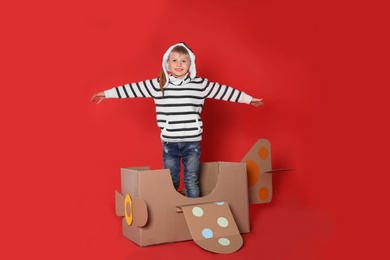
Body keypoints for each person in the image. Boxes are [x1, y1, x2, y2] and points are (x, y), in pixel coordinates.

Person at [91, 42, 264, 198]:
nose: (179, 65)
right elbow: (132, 89)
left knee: (191, 180)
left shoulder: (199, 85)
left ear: (191, 64)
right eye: (174, 60)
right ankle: (173, 215)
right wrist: (106, 94)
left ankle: (195, 214)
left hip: (192, 143)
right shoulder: (158, 85)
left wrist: (248, 99)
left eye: (183, 61)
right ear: (167, 63)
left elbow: (224, 91)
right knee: (171, 181)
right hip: (169, 143)